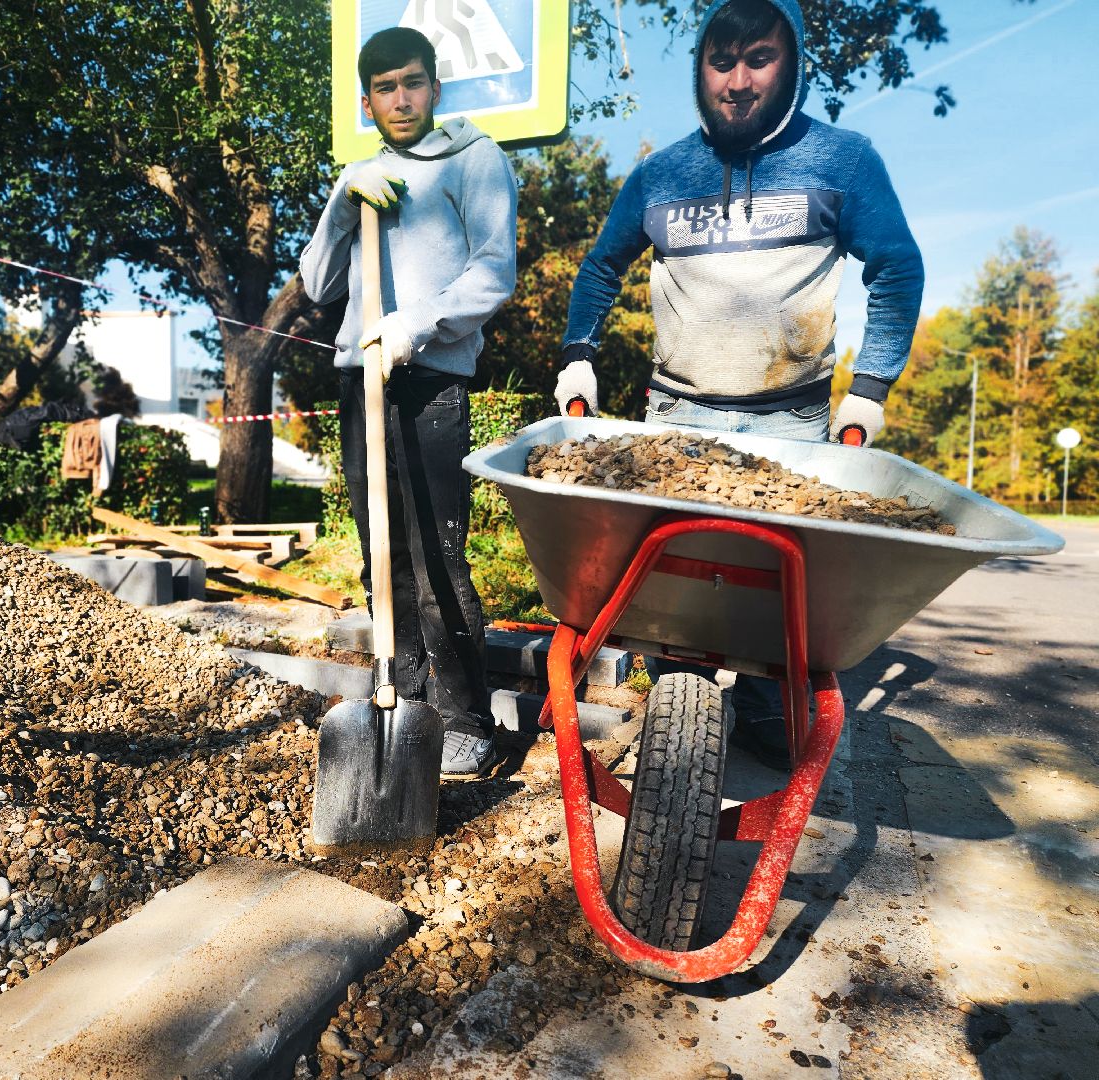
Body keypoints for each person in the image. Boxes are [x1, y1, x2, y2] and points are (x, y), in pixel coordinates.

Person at [555, 0, 923, 768]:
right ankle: (682, 716)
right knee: (679, 596)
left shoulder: (844, 161)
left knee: (769, 606)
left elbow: (897, 267)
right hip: (678, 419)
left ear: (790, 64)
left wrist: (871, 387)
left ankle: (760, 711)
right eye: (722, 62)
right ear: (700, 69)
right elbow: (599, 267)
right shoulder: (662, 174)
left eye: (759, 58)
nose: (738, 79)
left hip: (788, 426)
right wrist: (578, 354)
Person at [300, 26, 518, 780]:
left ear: (434, 87)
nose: (401, 98)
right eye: (386, 87)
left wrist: (415, 326)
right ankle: (405, 699)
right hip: (359, 379)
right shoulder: (361, 175)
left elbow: (494, 273)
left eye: (413, 82)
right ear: (367, 100)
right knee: (380, 551)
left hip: (429, 380)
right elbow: (320, 283)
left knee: (436, 552)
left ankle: (465, 716)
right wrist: (338, 201)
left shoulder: (474, 159)